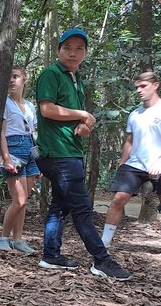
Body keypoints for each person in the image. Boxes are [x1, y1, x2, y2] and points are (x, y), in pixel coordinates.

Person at [35, 28, 131, 280]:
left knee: (60, 207)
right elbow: (47, 109)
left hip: (70, 150)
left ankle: (50, 255)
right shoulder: (51, 74)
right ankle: (101, 260)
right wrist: (83, 114)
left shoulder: (77, 80)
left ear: (85, 53)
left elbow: (76, 119)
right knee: (81, 209)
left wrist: (85, 125)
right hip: (59, 154)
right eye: (68, 48)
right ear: (58, 50)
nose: (73, 53)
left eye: (79, 49)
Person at [100, 72, 161, 262]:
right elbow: (130, 141)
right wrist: (123, 163)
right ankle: (104, 242)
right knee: (117, 200)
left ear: (156, 85)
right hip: (134, 165)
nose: (139, 90)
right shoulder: (135, 114)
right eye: (137, 87)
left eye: (143, 86)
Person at [0, 66, 41, 254]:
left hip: (31, 148)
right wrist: (6, 157)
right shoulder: (4, 103)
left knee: (25, 199)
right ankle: (3, 239)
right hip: (14, 148)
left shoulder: (30, 106)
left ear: (24, 79)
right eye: (9, 78)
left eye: (15, 77)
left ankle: (18, 240)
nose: (12, 81)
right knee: (19, 200)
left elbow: (35, 131)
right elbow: (1, 132)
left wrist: (40, 161)